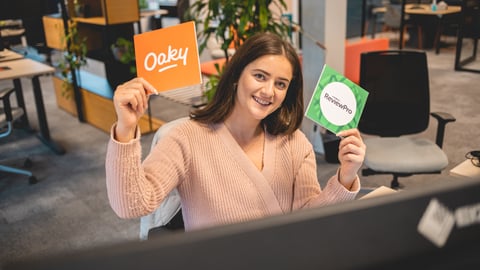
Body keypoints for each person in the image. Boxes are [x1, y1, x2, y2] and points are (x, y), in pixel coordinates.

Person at [106, 32, 366, 231]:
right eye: (260, 76)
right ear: (236, 76)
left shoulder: (295, 143)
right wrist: (126, 130)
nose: (268, 92)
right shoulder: (186, 138)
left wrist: (346, 176)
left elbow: (309, 219)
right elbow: (132, 205)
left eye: (281, 84)